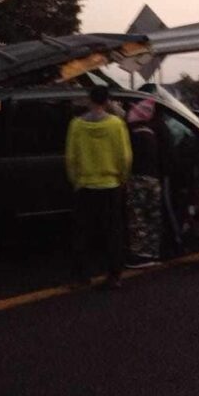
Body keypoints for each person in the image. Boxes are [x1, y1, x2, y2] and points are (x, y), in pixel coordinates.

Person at [65, 86, 132, 289]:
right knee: (113, 233)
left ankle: (82, 276)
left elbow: (71, 157)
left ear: (89, 100)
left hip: (85, 186)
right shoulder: (116, 124)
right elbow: (125, 157)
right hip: (110, 187)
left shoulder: (76, 125)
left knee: (82, 233)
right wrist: (122, 179)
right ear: (107, 101)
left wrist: (76, 181)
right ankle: (114, 276)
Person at [124, 98, 165, 269]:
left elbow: (128, 159)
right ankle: (153, 252)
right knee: (153, 216)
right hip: (154, 180)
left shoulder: (134, 136)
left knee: (138, 218)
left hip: (138, 180)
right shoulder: (152, 134)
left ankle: (139, 255)